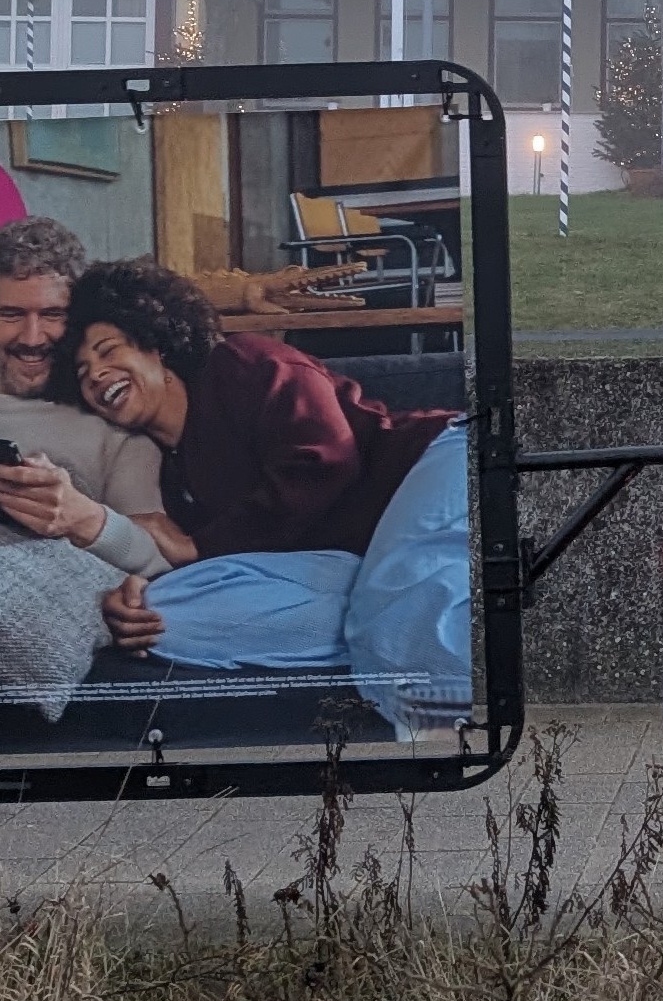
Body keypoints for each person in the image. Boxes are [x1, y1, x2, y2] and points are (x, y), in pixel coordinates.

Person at [58, 259, 471, 737]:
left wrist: (197, 548)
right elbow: (230, 564)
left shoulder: (242, 363)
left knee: (396, 629)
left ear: (157, 347)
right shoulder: (172, 473)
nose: (96, 374)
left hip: (434, 462)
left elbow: (326, 462)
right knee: (165, 612)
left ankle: (452, 727)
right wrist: (134, 593)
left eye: (109, 351)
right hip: (349, 556)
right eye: (83, 371)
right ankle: (406, 618)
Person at [0, 218, 175, 577]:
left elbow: (160, 558)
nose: (32, 338)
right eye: (10, 314)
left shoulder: (113, 420)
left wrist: (85, 517)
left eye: (52, 315)